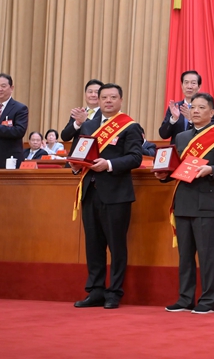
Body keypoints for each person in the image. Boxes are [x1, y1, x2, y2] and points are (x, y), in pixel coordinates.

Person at [156, 93, 214, 314]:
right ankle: (185, 298)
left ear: (212, 112)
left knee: (207, 254)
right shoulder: (182, 137)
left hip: (206, 203)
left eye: (202, 107)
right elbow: (177, 168)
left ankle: (208, 300)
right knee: (185, 255)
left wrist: (211, 169)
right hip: (183, 200)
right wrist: (164, 175)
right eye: (193, 107)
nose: (196, 111)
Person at [71, 83, 144, 309]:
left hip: (116, 194)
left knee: (116, 245)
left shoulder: (130, 126)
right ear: (98, 100)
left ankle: (114, 292)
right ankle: (95, 291)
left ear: (120, 100)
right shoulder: (89, 125)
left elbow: (135, 158)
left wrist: (109, 164)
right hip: (90, 191)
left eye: (113, 97)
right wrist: (75, 165)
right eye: (104, 97)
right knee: (93, 245)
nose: (108, 101)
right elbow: (77, 153)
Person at [158, 70, 214, 144]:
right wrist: (173, 120)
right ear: (182, 86)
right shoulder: (175, 108)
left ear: (199, 87)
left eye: (193, 83)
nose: (189, 86)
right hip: (177, 149)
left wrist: (191, 120)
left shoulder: (206, 107)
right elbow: (163, 135)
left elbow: (210, 131)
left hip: (198, 148)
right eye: (186, 82)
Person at [0, 73, 29, 169]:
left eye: (3, 86)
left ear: (11, 88)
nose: (0, 89)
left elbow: (19, 131)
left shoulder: (20, 108)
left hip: (8, 159)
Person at [61, 79, 104, 155]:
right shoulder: (78, 113)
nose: (93, 95)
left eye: (97, 92)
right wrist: (77, 124)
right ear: (85, 94)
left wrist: (85, 121)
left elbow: (101, 135)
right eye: (90, 92)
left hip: (96, 157)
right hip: (75, 158)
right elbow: (65, 137)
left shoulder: (106, 114)